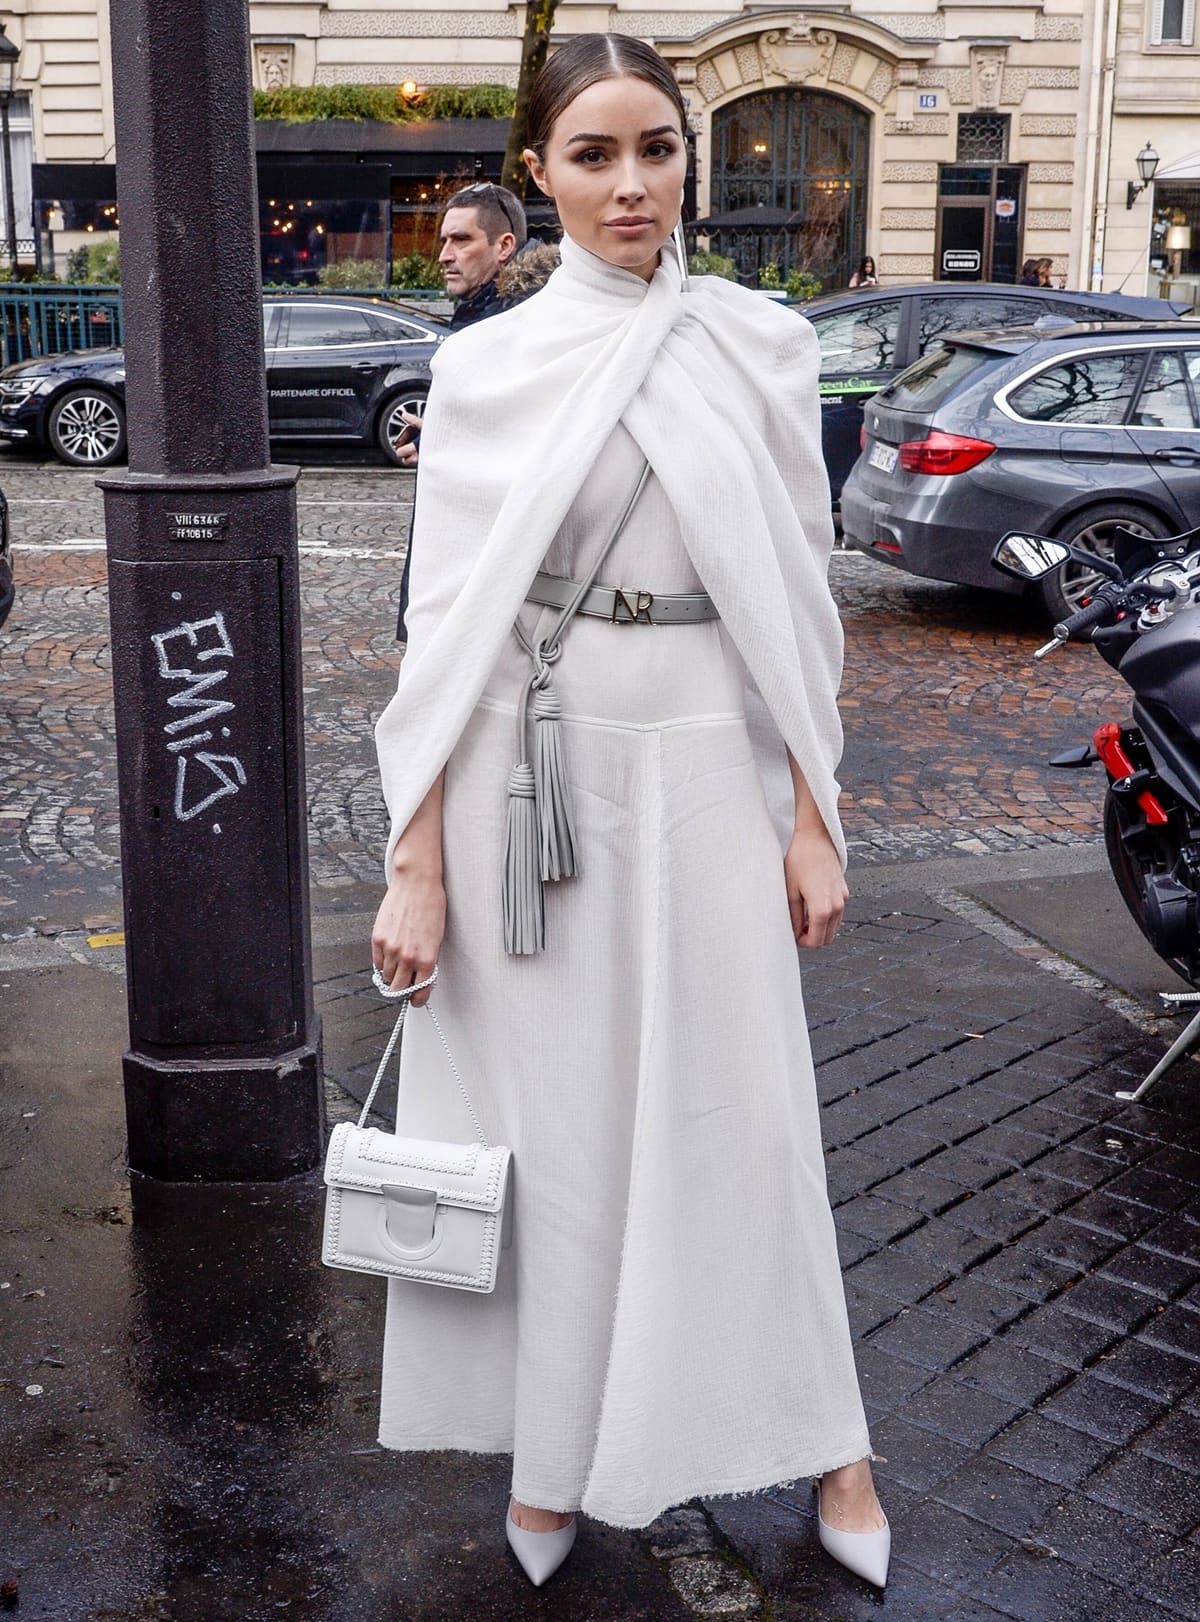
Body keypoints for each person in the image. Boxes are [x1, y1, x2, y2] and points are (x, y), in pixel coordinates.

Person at [370, 32, 889, 1593]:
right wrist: (415, 864)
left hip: (711, 770)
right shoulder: (486, 363)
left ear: (691, 159)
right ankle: (549, 1453)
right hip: (532, 791)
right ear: (539, 172)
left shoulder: (760, 347)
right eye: (593, 154)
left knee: (751, 1126)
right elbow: (447, 625)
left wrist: (815, 811)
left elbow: (799, 605)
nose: (631, 183)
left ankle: (835, 1444)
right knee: (559, 1138)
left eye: (656, 148)